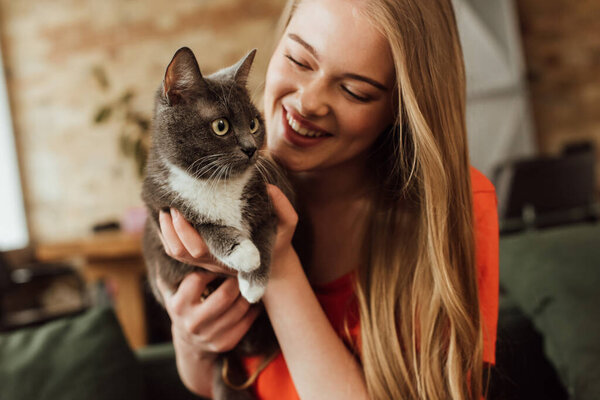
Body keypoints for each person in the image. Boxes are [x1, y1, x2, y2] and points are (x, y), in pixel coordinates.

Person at [155, 0, 499, 399]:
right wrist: (192, 342)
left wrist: (276, 262)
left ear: (402, 109)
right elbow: (216, 381)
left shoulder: (457, 207)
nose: (308, 103)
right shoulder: (216, 190)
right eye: (299, 60)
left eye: (355, 91)